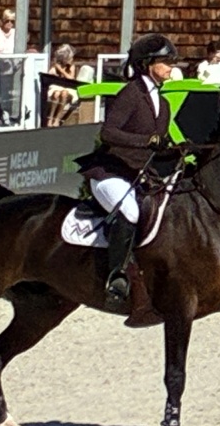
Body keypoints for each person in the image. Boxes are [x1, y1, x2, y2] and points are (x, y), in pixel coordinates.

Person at [75, 34, 179, 306]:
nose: (171, 66)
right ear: (147, 64)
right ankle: (116, 277)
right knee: (131, 212)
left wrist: (183, 151)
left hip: (139, 175)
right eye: (165, 61)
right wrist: (146, 141)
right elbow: (108, 132)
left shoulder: (163, 104)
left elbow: (159, 146)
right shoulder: (131, 94)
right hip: (110, 173)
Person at [44, 44, 83, 125]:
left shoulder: (71, 66)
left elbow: (71, 78)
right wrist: (55, 69)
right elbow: (49, 76)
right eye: (70, 57)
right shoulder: (55, 66)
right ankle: (50, 118)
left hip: (68, 88)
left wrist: (61, 70)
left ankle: (57, 119)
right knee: (57, 94)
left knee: (64, 93)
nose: (72, 59)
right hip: (56, 87)